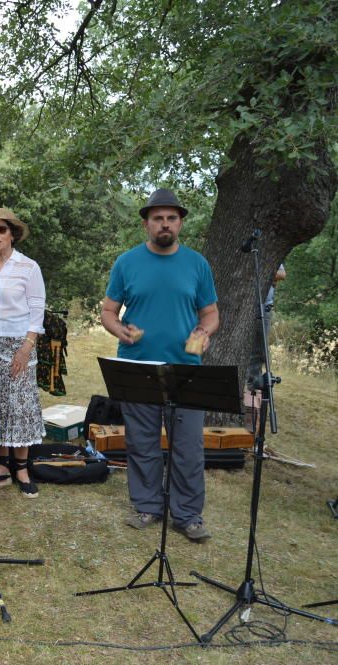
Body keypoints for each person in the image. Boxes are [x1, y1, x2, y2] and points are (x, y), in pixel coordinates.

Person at [101, 188, 219, 542]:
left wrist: (203, 330)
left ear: (180, 223)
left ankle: (187, 515)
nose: (164, 224)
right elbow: (108, 311)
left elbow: (211, 314)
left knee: (188, 447)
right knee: (141, 442)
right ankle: (147, 506)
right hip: (138, 366)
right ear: (146, 224)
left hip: (186, 367)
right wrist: (121, 330)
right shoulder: (126, 263)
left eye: (171, 218)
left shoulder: (197, 264)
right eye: (158, 219)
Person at [0, 207, 46, 499]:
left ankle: (22, 467)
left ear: (12, 234)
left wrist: (26, 346)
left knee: (20, 406)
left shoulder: (28, 266)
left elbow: (37, 309)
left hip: (19, 343)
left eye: (0, 230)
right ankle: (1, 465)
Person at [245, 264, 286, 392]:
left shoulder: (268, 253)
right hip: (246, 304)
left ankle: (253, 383)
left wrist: (261, 273)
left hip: (264, 307)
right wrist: (269, 276)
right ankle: (249, 381)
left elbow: (282, 274)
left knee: (260, 347)